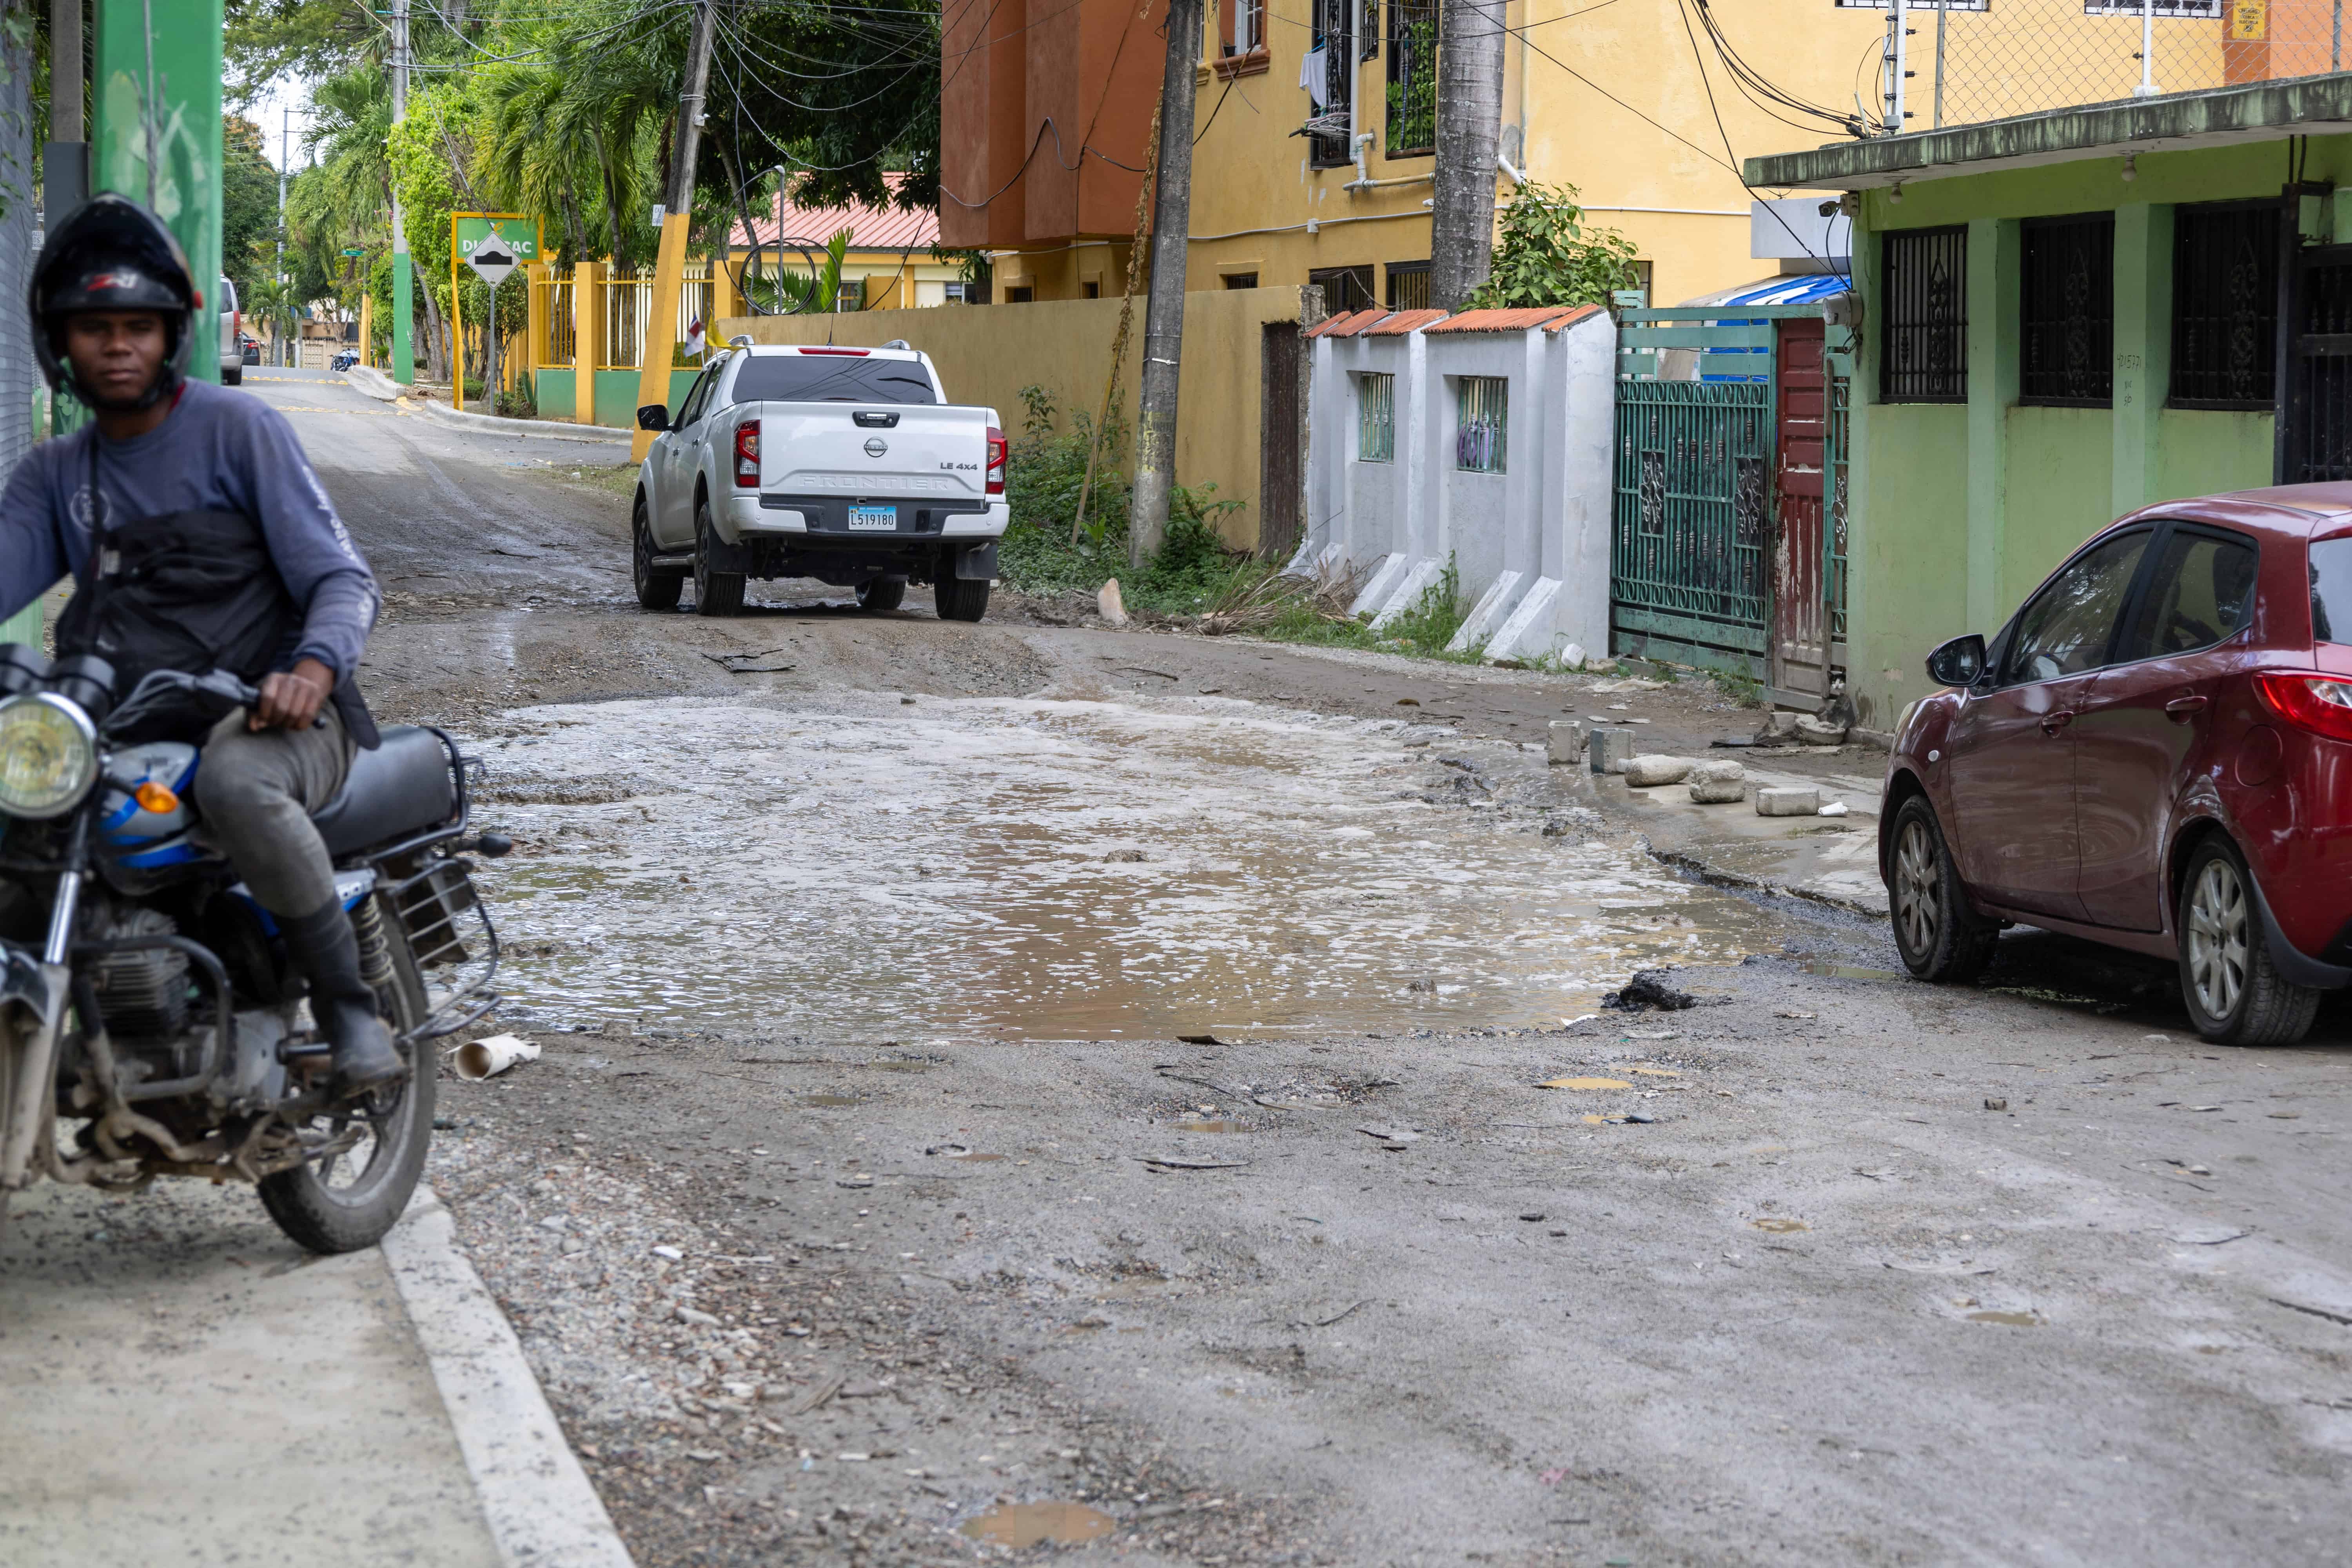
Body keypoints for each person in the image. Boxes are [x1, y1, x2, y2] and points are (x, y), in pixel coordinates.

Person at [0, 194, 402, 1096]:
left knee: (236, 783)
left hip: (272, 715)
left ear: (171, 334)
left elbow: (343, 578)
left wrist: (310, 669)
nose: (116, 345)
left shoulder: (239, 431)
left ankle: (345, 1006)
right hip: (124, 714)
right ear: (60, 342)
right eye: (94, 327)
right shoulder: (56, 473)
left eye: (137, 326)